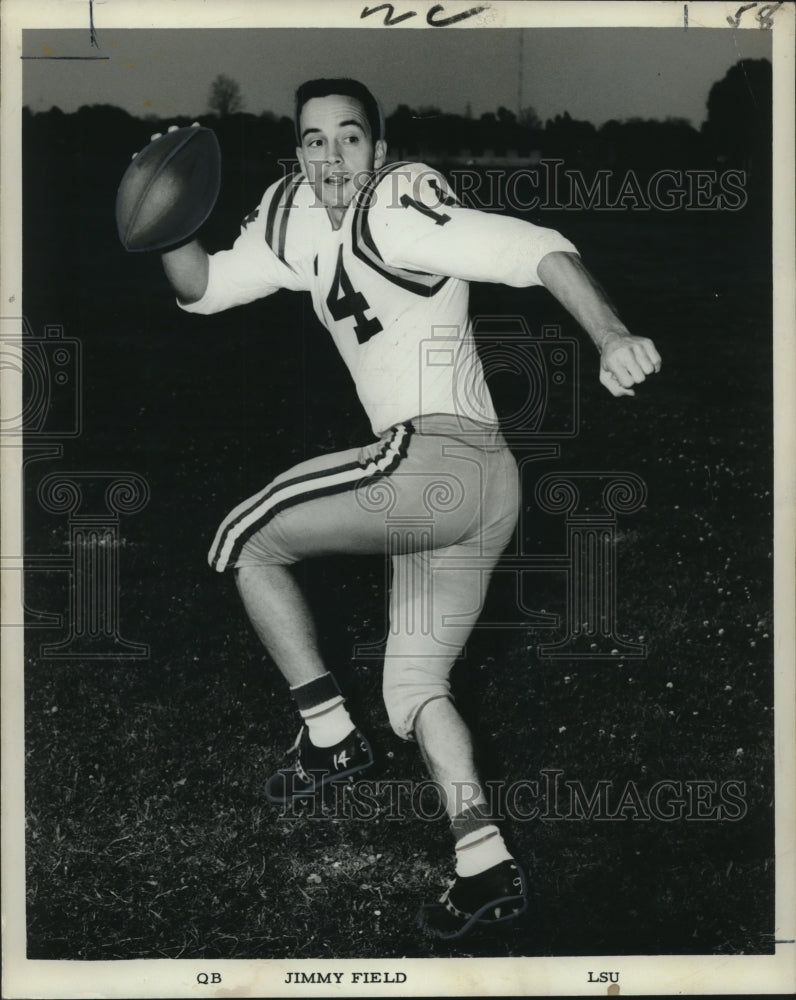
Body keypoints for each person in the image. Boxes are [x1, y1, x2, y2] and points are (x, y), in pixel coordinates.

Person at [159, 77, 661, 940]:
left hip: (433, 461)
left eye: (349, 138)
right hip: (483, 487)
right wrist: (164, 227)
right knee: (416, 687)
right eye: (312, 141)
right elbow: (201, 288)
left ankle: (326, 735)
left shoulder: (397, 204)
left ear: (378, 151)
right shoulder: (298, 219)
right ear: (298, 153)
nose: (330, 157)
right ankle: (484, 863)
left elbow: (535, 247)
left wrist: (611, 333)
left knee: (246, 537)